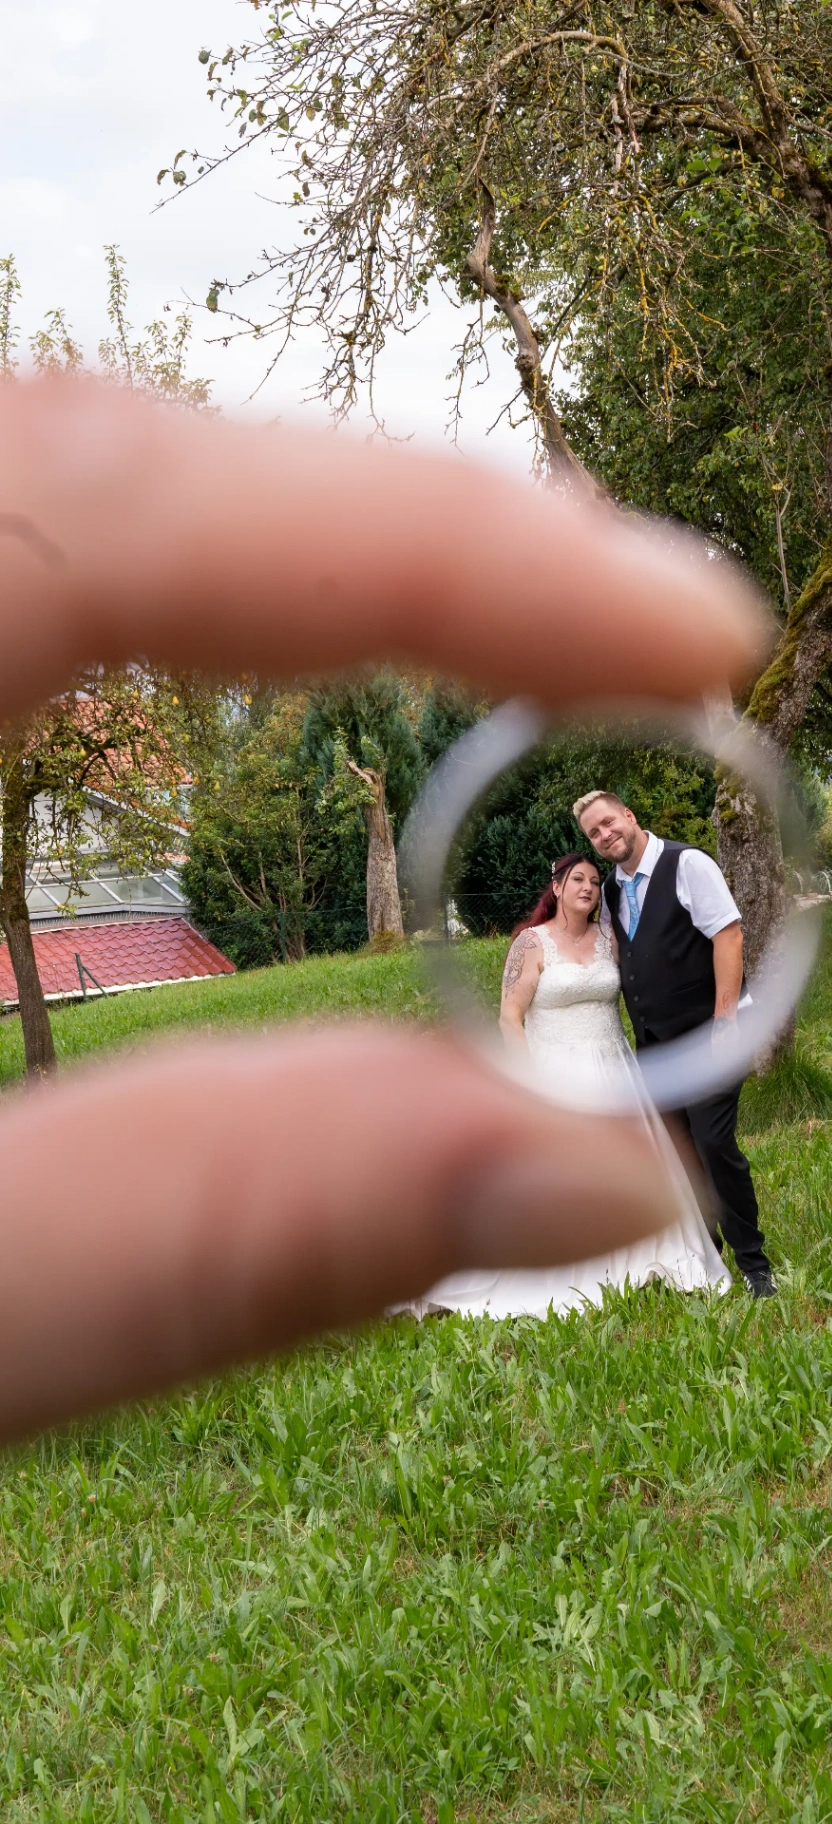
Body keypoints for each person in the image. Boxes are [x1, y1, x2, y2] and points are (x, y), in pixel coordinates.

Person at [0, 376, 767, 1444]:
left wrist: (721, 1028)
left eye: (603, 849)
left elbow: (713, 943)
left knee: (669, 1170)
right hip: (571, 1065)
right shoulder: (549, 940)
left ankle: (722, 1267)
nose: (595, 867)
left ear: (623, 835)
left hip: (635, 1066)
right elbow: (513, 1014)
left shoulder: (659, 886)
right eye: (584, 857)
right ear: (567, 875)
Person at [400, 854, 730, 1317]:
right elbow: (509, 1018)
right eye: (578, 879)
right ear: (556, 887)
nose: (589, 888)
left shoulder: (608, 939)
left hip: (614, 1070)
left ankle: (639, 1259)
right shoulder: (531, 943)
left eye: (595, 881)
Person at [574, 791, 776, 1299]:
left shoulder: (689, 864)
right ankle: (704, 1255)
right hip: (656, 1047)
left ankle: (754, 1264)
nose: (604, 836)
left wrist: (725, 1023)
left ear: (629, 814)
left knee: (712, 1142)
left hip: (712, 1033)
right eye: (593, 834)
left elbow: (728, 937)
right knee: (680, 1153)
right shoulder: (614, 890)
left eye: (608, 823)